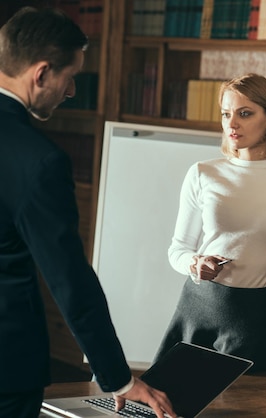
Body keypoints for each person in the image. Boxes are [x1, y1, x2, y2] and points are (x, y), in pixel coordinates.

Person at [0, 7, 176, 418]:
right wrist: (120, 379)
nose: (72, 90)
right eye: (69, 77)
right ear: (41, 74)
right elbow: (70, 281)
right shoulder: (40, 161)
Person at [154, 73, 266, 376]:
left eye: (245, 113)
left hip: (251, 319)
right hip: (196, 310)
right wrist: (195, 263)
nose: (232, 124)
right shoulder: (202, 173)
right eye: (226, 114)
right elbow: (178, 249)